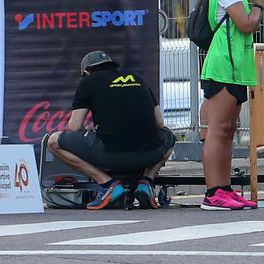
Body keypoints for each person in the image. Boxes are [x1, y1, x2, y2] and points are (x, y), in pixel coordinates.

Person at [197, 0, 264, 211]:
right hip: (223, 69)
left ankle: (224, 187)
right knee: (219, 130)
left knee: (229, 130)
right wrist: (259, 1)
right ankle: (213, 191)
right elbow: (247, 24)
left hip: (234, 70)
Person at [46, 51, 176, 210]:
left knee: (53, 141)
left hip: (110, 155)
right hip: (149, 155)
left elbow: (74, 127)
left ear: (86, 71)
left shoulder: (88, 81)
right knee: (170, 136)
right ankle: (147, 181)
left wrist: (88, 131)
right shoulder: (136, 77)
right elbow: (159, 123)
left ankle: (107, 184)